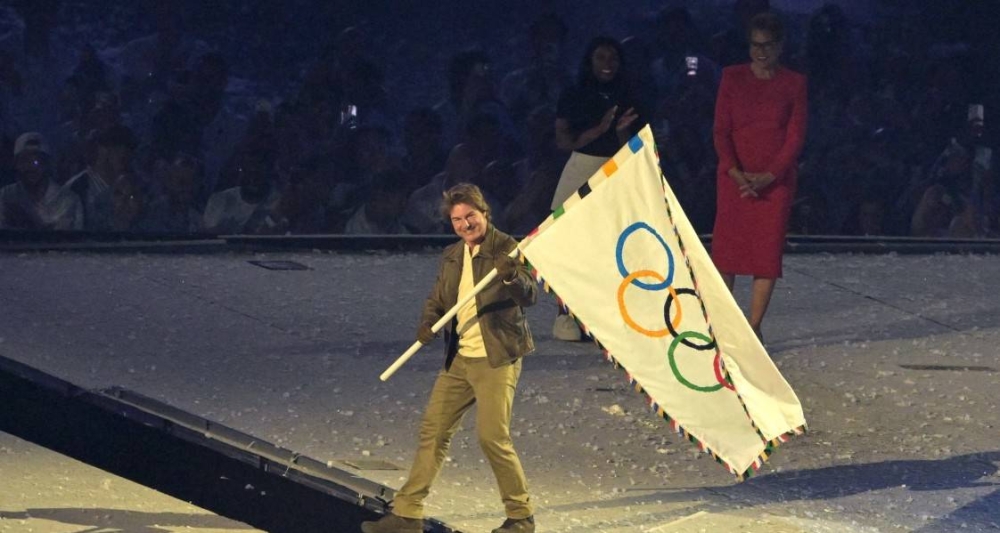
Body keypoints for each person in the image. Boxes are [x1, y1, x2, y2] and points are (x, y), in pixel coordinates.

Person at [361, 183, 537, 533]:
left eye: (470, 216)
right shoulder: (453, 254)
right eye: (457, 219)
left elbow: (530, 295)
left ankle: (521, 517)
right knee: (434, 430)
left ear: (485, 213)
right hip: (460, 358)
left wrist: (511, 275)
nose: (464, 224)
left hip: (496, 357)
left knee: (492, 437)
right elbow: (439, 299)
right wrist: (427, 322)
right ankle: (407, 514)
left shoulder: (507, 248)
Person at [711, 12, 806, 342]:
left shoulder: (794, 83)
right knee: (727, 252)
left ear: (780, 46)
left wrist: (770, 175)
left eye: (767, 45)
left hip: (774, 182)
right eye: (755, 45)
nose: (760, 52)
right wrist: (735, 171)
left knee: (765, 254)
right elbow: (721, 130)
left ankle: (752, 328)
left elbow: (795, 136)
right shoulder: (732, 77)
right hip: (734, 178)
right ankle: (726, 326)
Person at [550, 36, 642, 341]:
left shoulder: (630, 95)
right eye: (601, 58)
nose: (607, 65)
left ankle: (605, 316)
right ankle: (565, 316)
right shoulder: (575, 94)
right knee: (570, 247)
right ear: (590, 62)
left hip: (616, 171)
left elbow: (634, 146)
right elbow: (564, 142)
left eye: (613, 58)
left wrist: (619, 132)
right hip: (581, 169)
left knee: (611, 249)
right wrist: (600, 129)